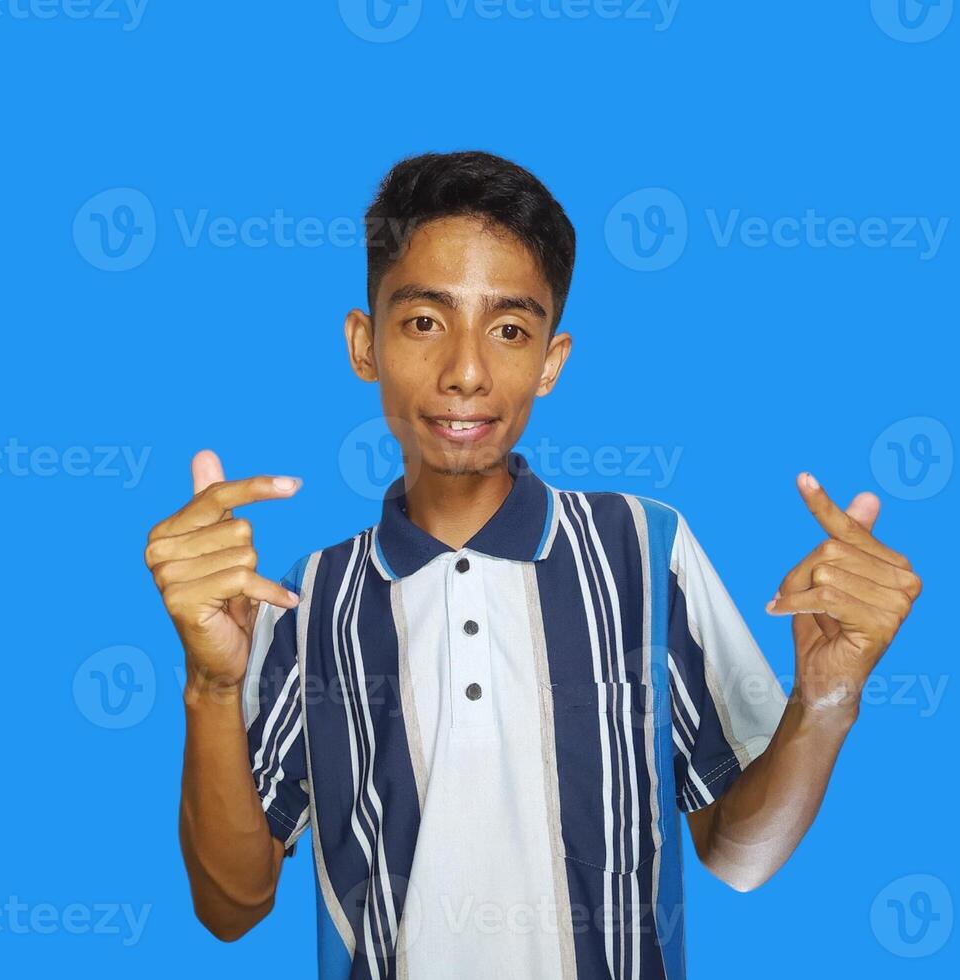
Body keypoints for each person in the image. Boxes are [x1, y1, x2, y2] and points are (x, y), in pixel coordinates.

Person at [144, 150, 922, 979]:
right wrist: (212, 685)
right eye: (424, 321)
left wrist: (827, 700)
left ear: (551, 360)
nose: (467, 372)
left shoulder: (644, 548)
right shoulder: (301, 598)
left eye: (509, 329)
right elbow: (231, 907)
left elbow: (738, 855)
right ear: (363, 344)